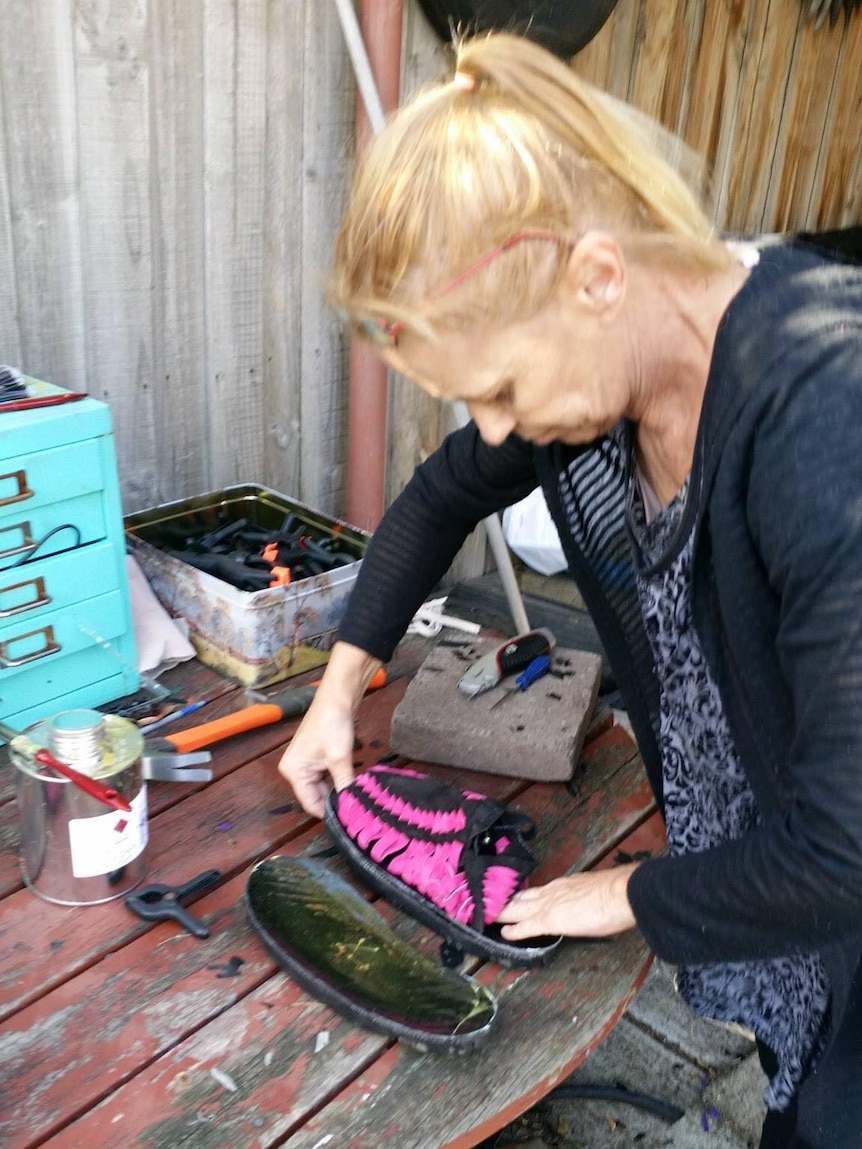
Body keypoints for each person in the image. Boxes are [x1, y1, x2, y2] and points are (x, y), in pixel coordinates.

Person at [277, 32, 862, 1149]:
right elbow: (435, 498)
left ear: (597, 274)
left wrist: (622, 896)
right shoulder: (609, 379)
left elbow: (847, 845)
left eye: (498, 387)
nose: (496, 431)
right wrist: (337, 694)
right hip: (784, 910)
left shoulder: (822, 415)